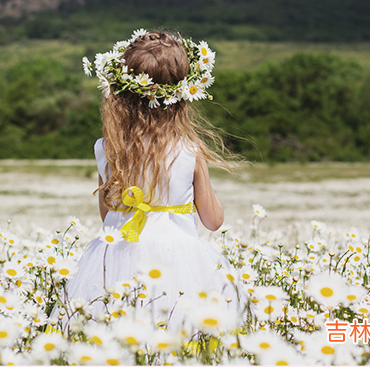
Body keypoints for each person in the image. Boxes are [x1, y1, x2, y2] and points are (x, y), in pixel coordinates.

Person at [50, 29, 239, 332]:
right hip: (179, 263)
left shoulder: (106, 148)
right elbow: (213, 220)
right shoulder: (189, 151)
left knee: (112, 333)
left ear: (120, 92)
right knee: (178, 335)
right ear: (183, 94)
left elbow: (108, 216)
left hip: (116, 255)